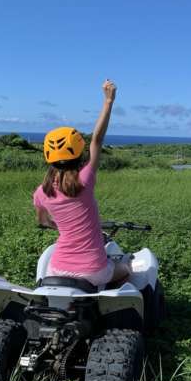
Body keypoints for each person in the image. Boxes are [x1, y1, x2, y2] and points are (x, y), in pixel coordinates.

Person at [32, 79, 129, 286]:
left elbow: (42, 222)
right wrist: (108, 101)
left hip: (57, 268)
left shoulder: (41, 192)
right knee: (126, 267)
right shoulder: (84, 179)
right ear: (78, 153)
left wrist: (59, 224)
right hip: (93, 270)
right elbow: (97, 140)